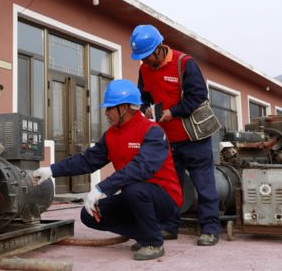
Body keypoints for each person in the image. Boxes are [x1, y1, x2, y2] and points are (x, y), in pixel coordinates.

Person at [33, 79, 182, 261]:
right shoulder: (111, 135)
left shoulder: (152, 131)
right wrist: (51, 170)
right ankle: (145, 233)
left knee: (135, 189)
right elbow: (87, 160)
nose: (106, 113)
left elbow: (141, 167)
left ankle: (153, 242)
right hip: (134, 198)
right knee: (90, 214)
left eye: (110, 108)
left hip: (165, 201)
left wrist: (102, 188)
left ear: (125, 108)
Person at [129, 24, 220, 246]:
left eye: (147, 56)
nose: (145, 61)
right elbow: (142, 97)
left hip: (194, 138)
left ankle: (210, 229)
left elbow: (198, 95)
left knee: (204, 184)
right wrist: (146, 108)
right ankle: (169, 227)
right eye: (141, 57)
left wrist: (174, 111)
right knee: (171, 186)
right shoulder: (144, 70)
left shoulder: (184, 63)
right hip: (167, 140)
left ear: (159, 47)